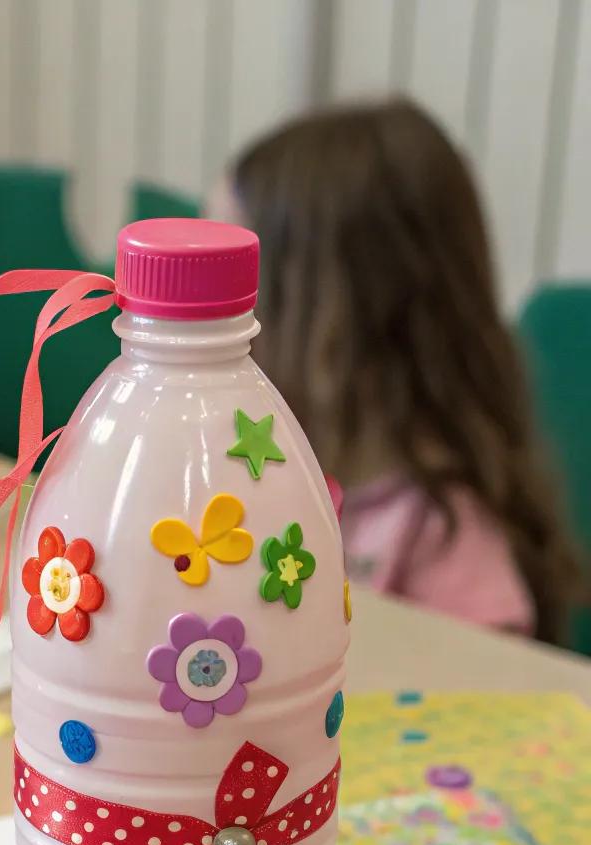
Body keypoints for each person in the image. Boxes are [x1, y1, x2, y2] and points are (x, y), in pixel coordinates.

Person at [211, 99, 577, 641]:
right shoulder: (258, 472)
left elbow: (484, 706)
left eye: (231, 283)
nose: (202, 314)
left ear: (338, 321)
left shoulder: (445, 533)